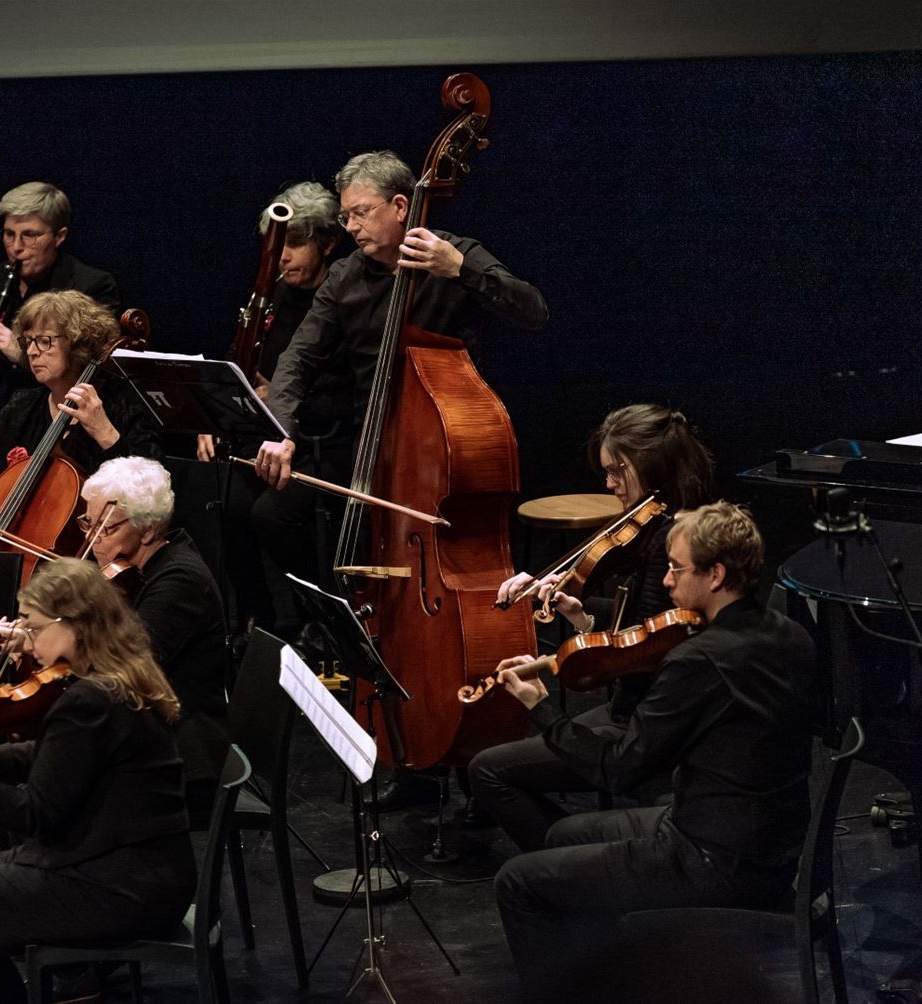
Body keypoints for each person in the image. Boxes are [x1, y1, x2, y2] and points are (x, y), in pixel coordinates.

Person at [490, 502, 815, 1002]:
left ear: (716, 575)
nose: (665, 581)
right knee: (559, 835)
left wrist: (542, 710)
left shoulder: (701, 659)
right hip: (766, 844)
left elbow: (620, 769)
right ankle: (610, 972)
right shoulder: (790, 635)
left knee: (517, 882)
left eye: (676, 569)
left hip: (710, 857)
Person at [0, 558, 195, 1004]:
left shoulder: (87, 699)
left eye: (35, 628)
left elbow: (34, 815)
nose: (29, 640)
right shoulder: (122, 673)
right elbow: (67, 756)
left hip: (117, 887)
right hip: (150, 872)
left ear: (74, 624)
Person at [251, 150, 547, 594]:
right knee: (280, 520)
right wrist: (281, 429)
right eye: (346, 217)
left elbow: (532, 311)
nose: (351, 227)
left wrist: (460, 270)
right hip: (369, 445)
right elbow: (299, 358)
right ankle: (337, 615)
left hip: (442, 448)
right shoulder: (345, 277)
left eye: (361, 213)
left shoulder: (454, 253)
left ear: (400, 206)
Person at [469, 404, 715, 846]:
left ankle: (569, 858)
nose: (609, 484)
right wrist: (576, 610)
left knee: (488, 771)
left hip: (642, 720)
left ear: (652, 463)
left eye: (618, 470)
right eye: (607, 472)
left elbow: (643, 647)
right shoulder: (665, 525)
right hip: (631, 706)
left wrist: (548, 694)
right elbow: (639, 623)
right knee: (492, 765)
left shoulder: (672, 541)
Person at [197, 181, 352, 637]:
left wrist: (277, 400)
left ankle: (317, 620)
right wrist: (215, 414)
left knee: (271, 514)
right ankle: (258, 620)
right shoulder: (275, 294)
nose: (282, 257)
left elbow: (348, 393)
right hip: (271, 439)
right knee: (222, 501)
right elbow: (243, 368)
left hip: (327, 441)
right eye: (277, 245)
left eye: (295, 244)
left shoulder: (344, 297)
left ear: (328, 243)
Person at [80, 456, 230, 817]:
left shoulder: (180, 581)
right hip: (144, 733)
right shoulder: (136, 571)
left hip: (181, 759)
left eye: (106, 528)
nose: (91, 538)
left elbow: (124, 667)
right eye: (88, 522)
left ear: (147, 529)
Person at [0, 289, 161, 511]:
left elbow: (150, 491)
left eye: (44, 341)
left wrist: (104, 431)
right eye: (28, 341)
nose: (31, 351)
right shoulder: (24, 404)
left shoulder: (122, 406)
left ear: (78, 343)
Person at [0, 182, 120, 415]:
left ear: (60, 236)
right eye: (9, 234)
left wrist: (20, 353)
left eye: (30, 235)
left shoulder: (90, 286)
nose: (16, 247)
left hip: (50, 414)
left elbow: (93, 370)